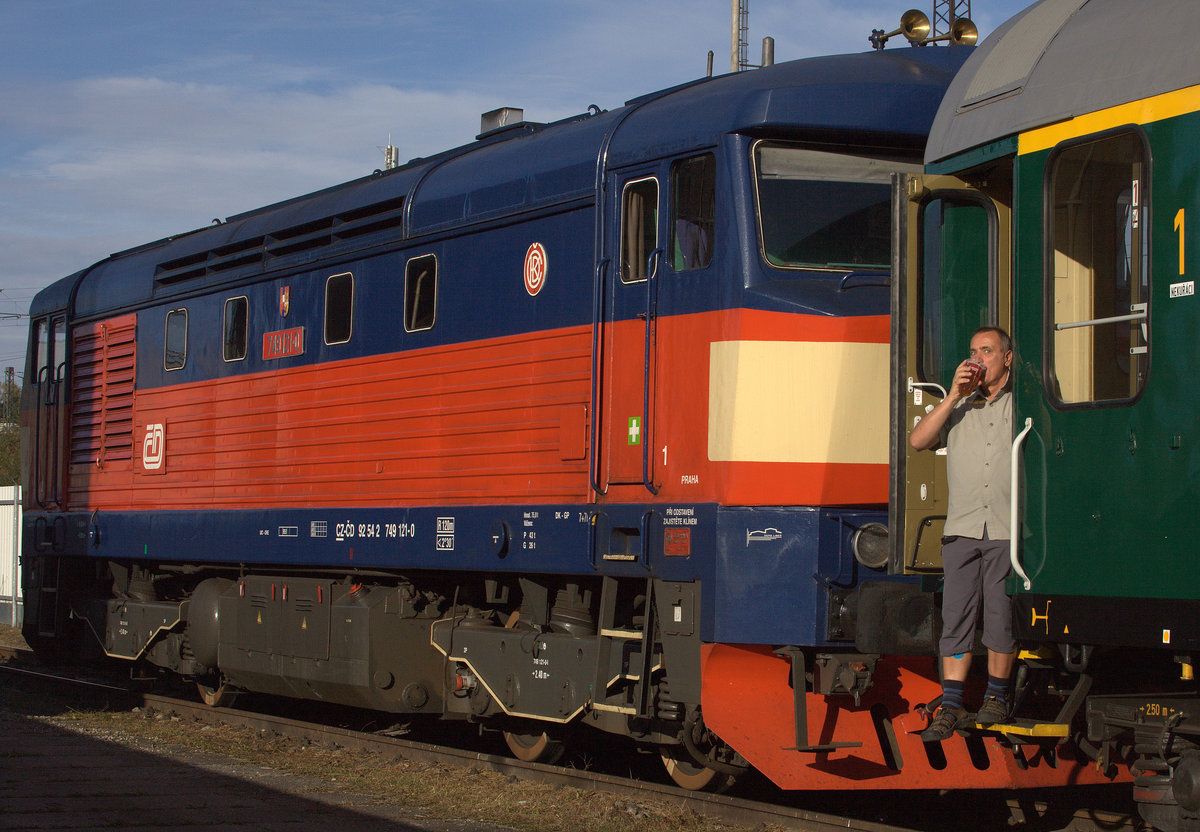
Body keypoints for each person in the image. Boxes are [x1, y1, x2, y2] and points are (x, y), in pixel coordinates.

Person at [909, 326, 1018, 742]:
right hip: (963, 529)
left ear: (1006, 359)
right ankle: (951, 705)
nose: (977, 359)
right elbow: (918, 440)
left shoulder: (1019, 404)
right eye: (972, 351)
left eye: (986, 351)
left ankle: (996, 697)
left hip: (1006, 529)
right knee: (955, 617)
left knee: (999, 615)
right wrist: (953, 394)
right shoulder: (956, 407)